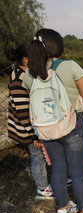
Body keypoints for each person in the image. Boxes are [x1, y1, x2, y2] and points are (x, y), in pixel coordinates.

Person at [22, 29, 83, 213]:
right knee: (77, 172)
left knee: (57, 170)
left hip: (47, 127)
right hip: (72, 124)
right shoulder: (70, 66)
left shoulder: (30, 72)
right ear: (58, 46)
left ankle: (63, 208)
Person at [5, 43, 54, 200]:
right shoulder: (19, 79)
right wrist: (34, 136)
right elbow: (22, 111)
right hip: (27, 129)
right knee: (37, 156)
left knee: (40, 154)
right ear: (26, 60)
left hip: (30, 127)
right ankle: (42, 188)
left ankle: (46, 182)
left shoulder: (23, 74)